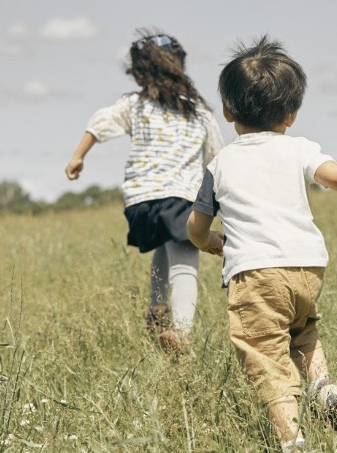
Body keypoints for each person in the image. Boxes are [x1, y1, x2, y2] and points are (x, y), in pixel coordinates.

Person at [186, 36, 337, 453]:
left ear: (227, 111)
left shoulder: (220, 164)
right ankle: (323, 384)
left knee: (264, 354)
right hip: (308, 268)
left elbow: (196, 224)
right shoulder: (298, 149)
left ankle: (292, 440)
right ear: (292, 115)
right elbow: (330, 175)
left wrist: (209, 242)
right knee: (303, 331)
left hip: (256, 273)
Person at [66, 30, 223, 353]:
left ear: (139, 73)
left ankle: (156, 311)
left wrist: (78, 156)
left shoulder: (134, 105)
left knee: (164, 247)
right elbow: (217, 160)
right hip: (179, 194)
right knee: (184, 261)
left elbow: (100, 122)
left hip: (140, 201)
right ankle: (181, 333)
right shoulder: (198, 112)